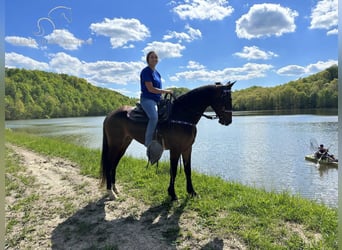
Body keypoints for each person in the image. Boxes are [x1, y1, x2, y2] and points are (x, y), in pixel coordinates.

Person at [140, 51, 172, 149]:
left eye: (155, 57)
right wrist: (165, 91)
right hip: (148, 99)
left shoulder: (157, 73)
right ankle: (148, 142)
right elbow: (150, 89)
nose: (154, 59)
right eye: (151, 57)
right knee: (154, 117)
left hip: (158, 100)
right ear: (148, 60)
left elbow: (157, 90)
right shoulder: (146, 71)